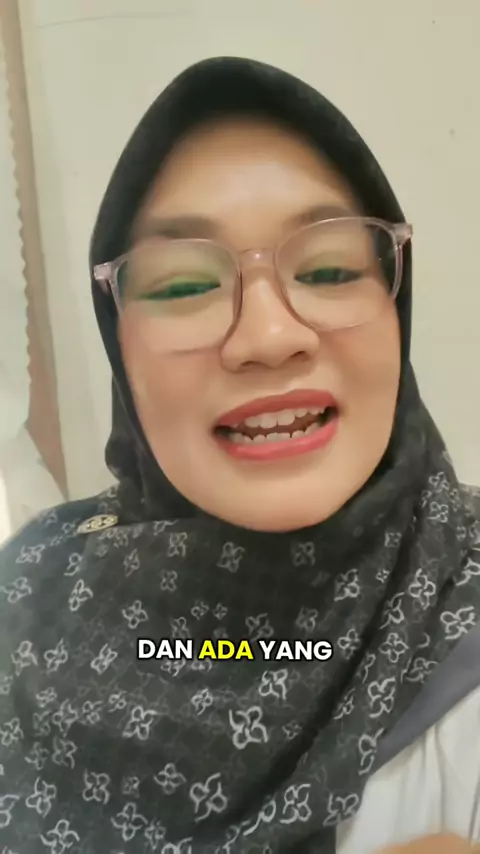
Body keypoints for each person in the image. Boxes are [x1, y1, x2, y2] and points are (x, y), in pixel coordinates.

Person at [0, 57, 479, 854]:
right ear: (119, 347)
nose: (269, 335)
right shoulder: (28, 601)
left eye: (330, 269)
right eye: (184, 286)